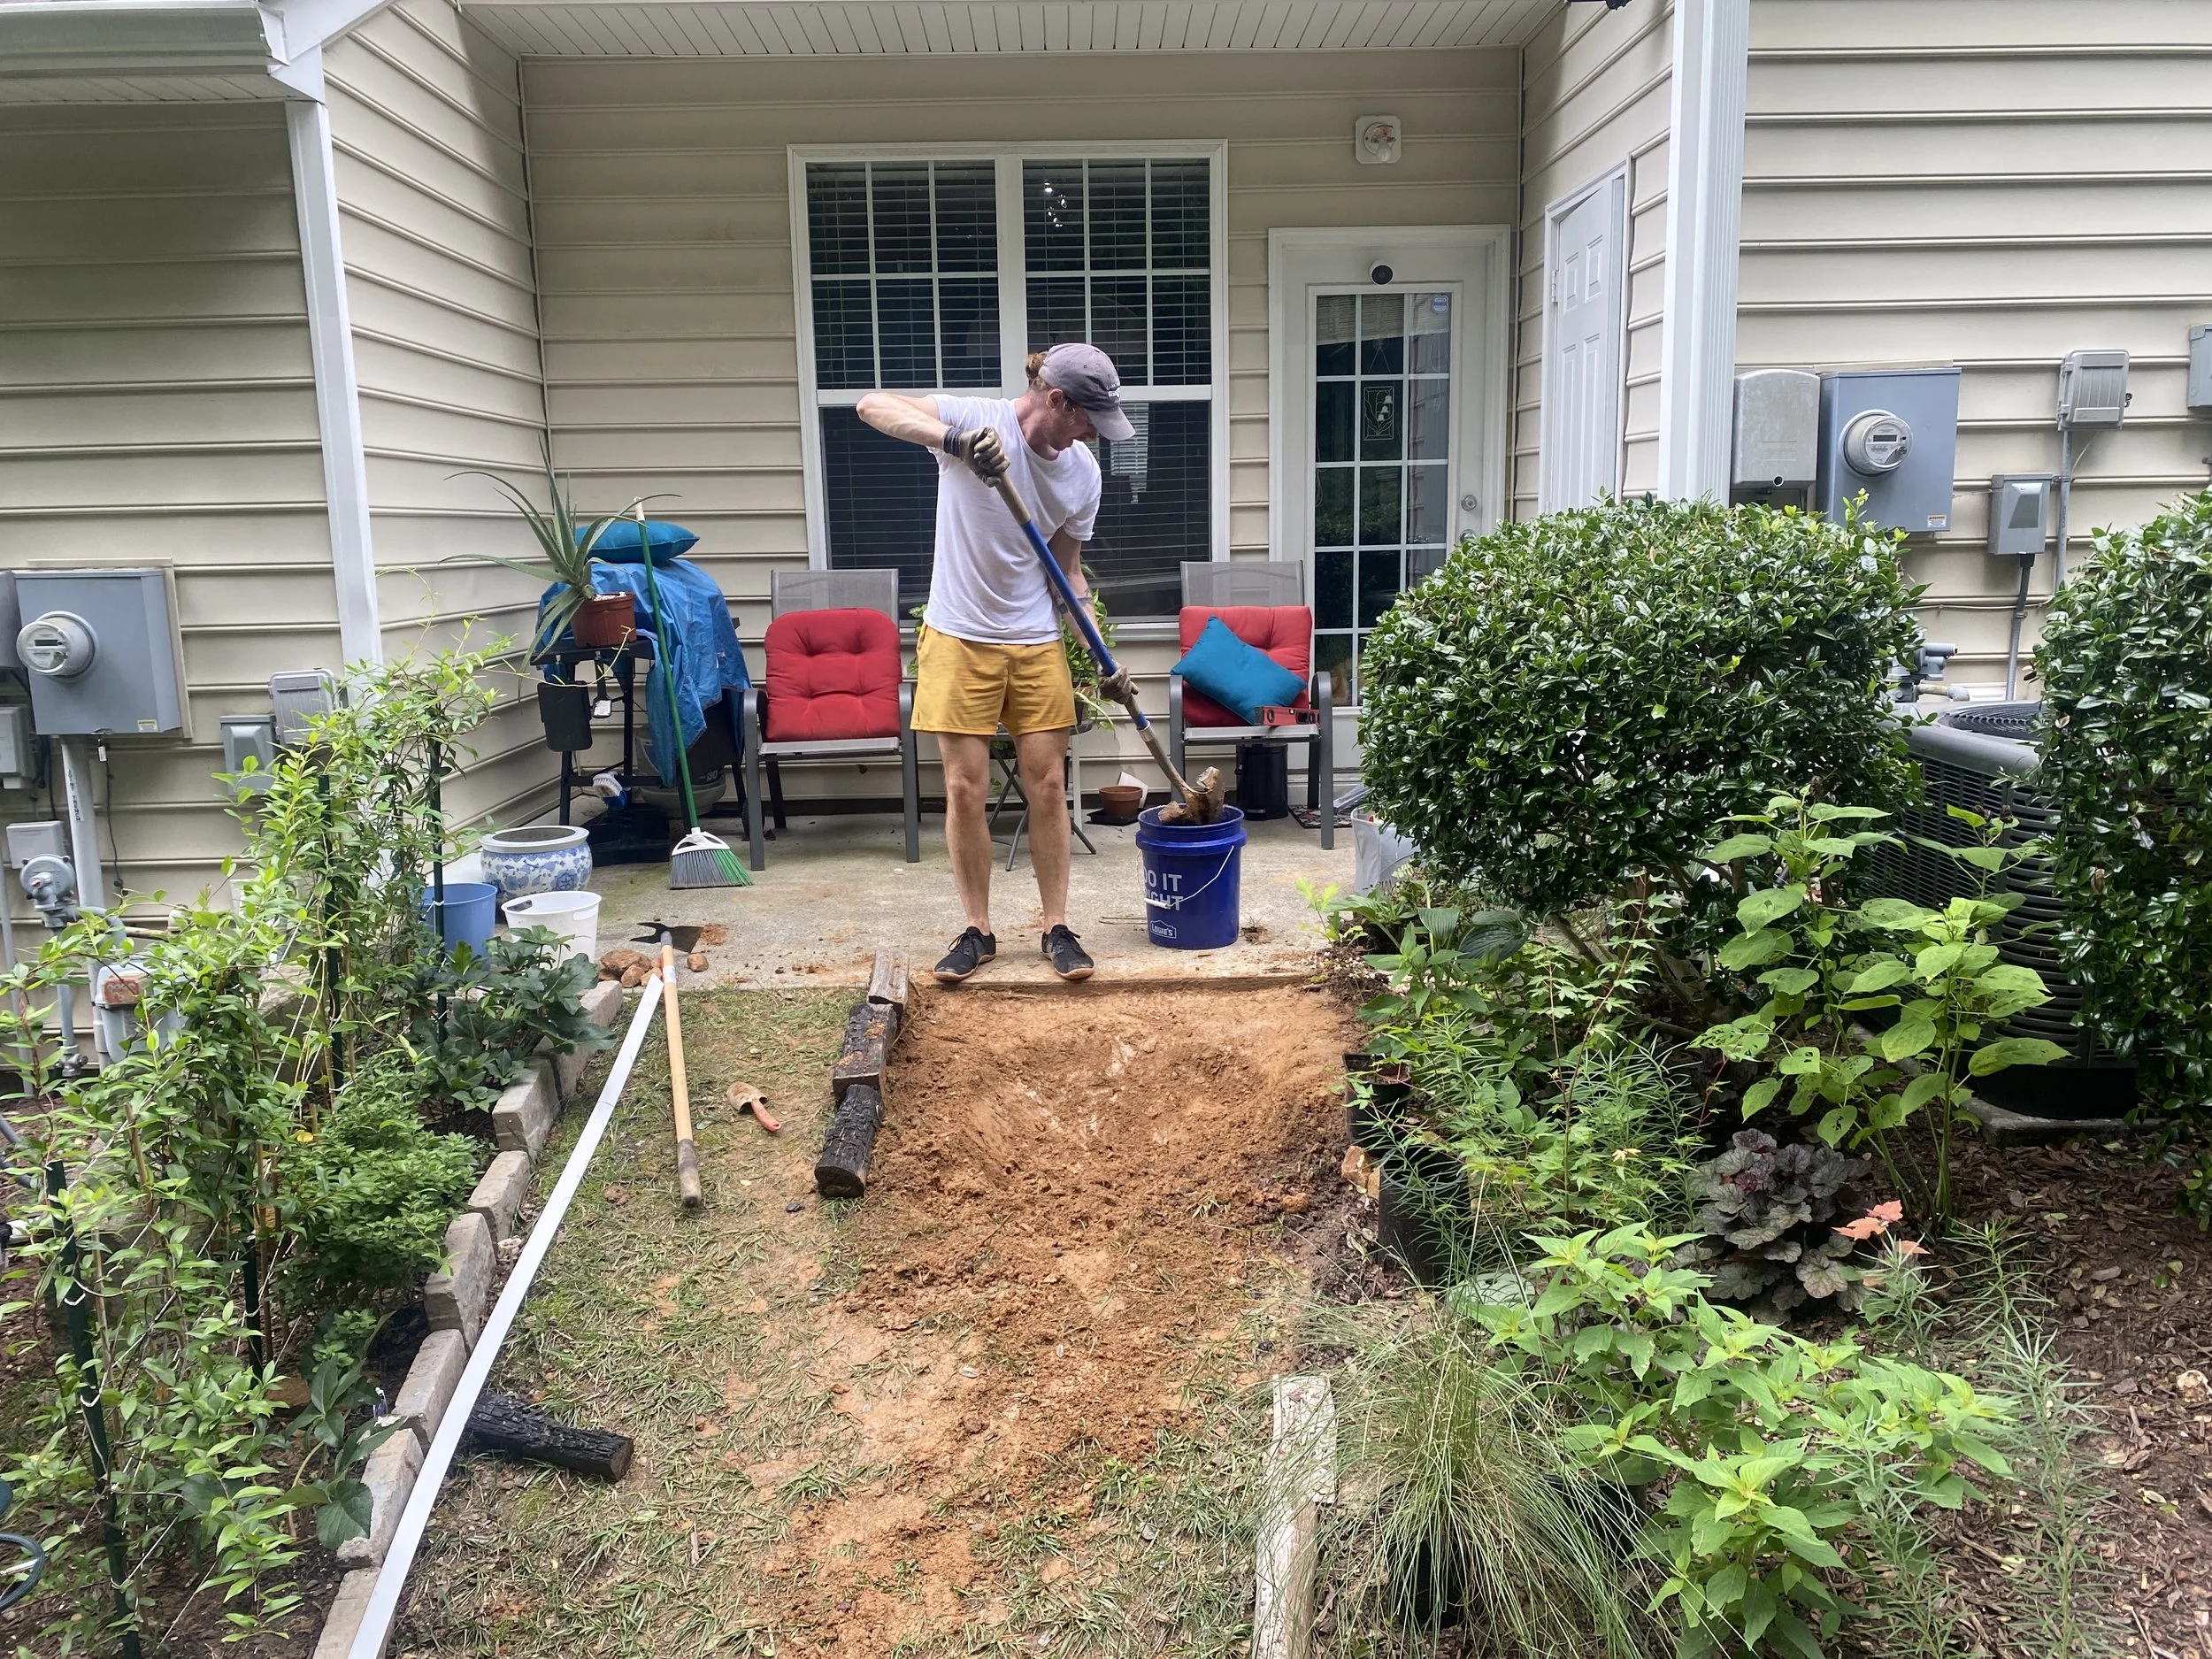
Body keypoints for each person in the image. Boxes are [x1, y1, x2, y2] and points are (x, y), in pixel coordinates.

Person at [855, 343, 1133, 986]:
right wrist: (953, 441)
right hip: (957, 633)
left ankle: (1056, 927)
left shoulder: (1082, 473)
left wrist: (1101, 655)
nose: (1094, 433)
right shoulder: (977, 420)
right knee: (964, 788)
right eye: (1088, 417)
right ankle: (978, 930)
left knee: (1048, 786)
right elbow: (872, 404)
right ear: (1056, 400)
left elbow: (1066, 573)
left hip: (1035, 639)